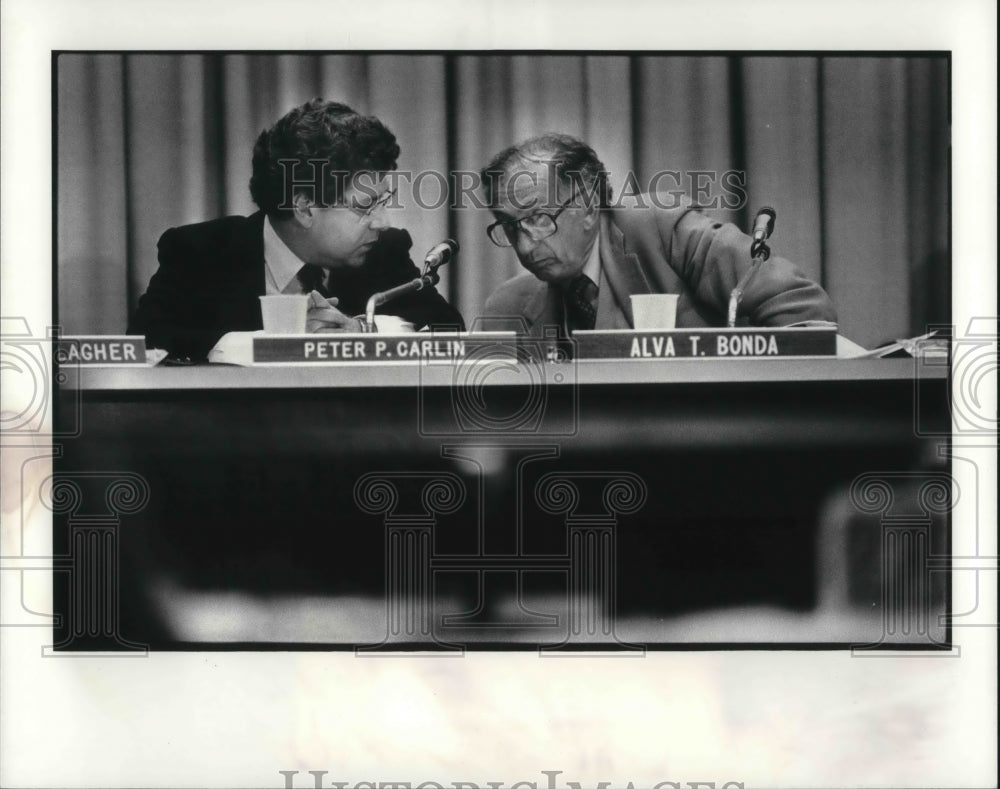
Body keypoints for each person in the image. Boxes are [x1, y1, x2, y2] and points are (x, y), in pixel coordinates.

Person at [129, 98, 464, 360]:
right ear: (304, 207)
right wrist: (274, 345)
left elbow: (450, 332)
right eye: (365, 206)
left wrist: (363, 331)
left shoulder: (383, 250)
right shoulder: (200, 252)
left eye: (384, 200)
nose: (383, 222)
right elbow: (147, 346)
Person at [480, 133, 835, 338]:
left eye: (539, 219)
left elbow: (799, 304)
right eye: (511, 227)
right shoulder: (507, 308)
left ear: (588, 206)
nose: (525, 246)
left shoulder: (661, 228)